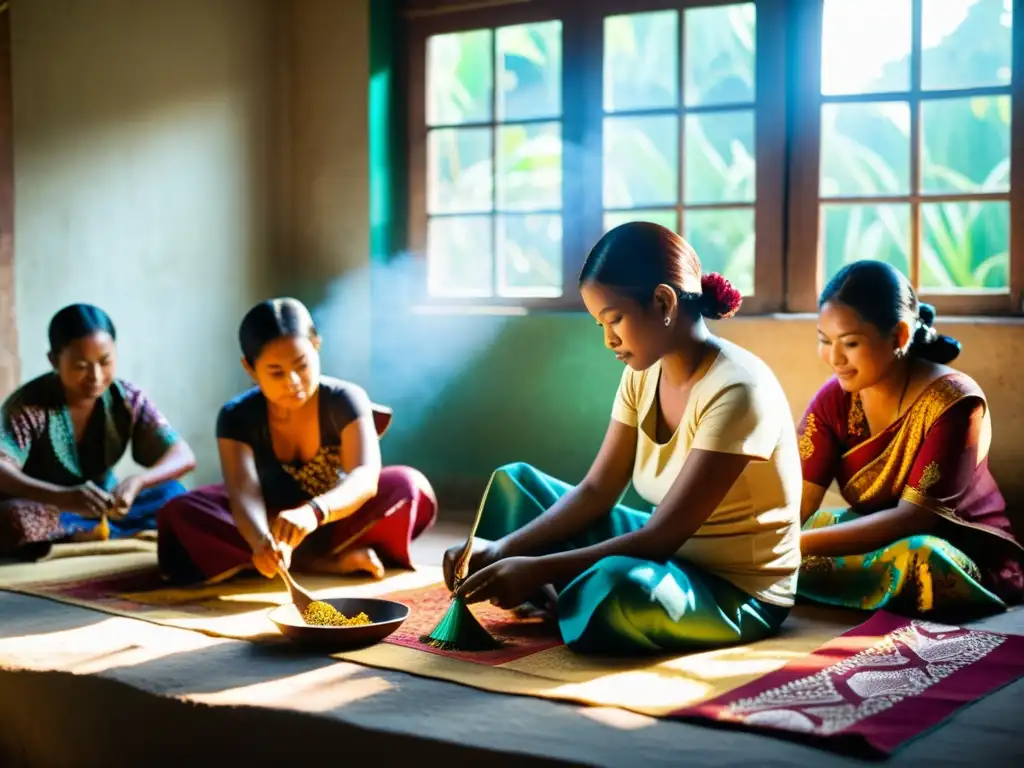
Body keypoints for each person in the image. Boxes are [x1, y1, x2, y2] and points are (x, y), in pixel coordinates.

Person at [444, 222, 802, 656]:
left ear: (663, 302)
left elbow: (659, 538)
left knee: (621, 588)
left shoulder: (738, 389)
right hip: (666, 552)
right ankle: (567, 600)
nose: (608, 339)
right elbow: (597, 490)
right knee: (515, 484)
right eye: (600, 324)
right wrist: (502, 549)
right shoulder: (642, 374)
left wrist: (536, 569)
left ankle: (563, 599)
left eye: (614, 319)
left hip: (729, 589)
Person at [798, 260, 1024, 618]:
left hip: (956, 549)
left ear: (900, 336)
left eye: (850, 342)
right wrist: (773, 539)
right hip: (875, 538)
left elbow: (913, 520)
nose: (834, 358)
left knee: (920, 556)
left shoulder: (955, 402)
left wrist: (793, 546)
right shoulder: (834, 399)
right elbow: (798, 500)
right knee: (807, 527)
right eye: (824, 341)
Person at [157, 298, 436, 584]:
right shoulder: (235, 416)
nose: (292, 381)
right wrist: (260, 543)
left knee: (408, 485)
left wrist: (315, 511)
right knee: (180, 512)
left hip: (335, 517)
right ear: (250, 369)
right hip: (271, 522)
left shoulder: (345, 399)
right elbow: (244, 495)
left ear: (316, 346)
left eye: (301, 365)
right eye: (276, 372)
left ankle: (310, 558)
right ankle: (317, 562)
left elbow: (365, 478)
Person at [0, 304, 195, 559]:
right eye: (81, 366)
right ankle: (100, 532)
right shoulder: (28, 405)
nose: (96, 376)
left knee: (176, 496)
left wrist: (138, 482)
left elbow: (183, 455)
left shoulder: (126, 399)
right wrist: (64, 498)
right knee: (12, 519)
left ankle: (86, 534)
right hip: (48, 508)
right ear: (54, 360)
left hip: (106, 507)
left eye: (105, 362)